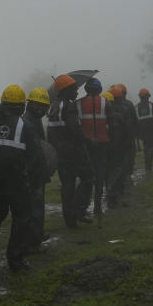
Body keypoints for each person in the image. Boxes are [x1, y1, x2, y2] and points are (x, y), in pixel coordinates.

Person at [0, 85, 48, 271]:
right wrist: (36, 179)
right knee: (22, 217)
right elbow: (35, 157)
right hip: (17, 181)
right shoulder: (25, 125)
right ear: (20, 106)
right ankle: (15, 259)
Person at [47, 74, 91, 228]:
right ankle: (78, 210)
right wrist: (88, 140)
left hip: (60, 153)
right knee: (88, 177)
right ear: (65, 90)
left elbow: (51, 133)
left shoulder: (53, 107)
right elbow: (74, 130)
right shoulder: (69, 106)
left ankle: (69, 219)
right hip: (74, 152)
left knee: (67, 185)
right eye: (74, 89)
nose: (77, 92)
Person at [23, 87, 54, 254]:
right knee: (34, 208)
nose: (42, 110)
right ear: (31, 105)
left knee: (36, 207)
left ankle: (36, 236)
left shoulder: (33, 121)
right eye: (40, 106)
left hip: (36, 172)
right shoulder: (28, 123)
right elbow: (35, 151)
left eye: (44, 107)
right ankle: (33, 241)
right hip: (33, 173)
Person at [77, 77, 110, 222]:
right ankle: (97, 206)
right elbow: (112, 123)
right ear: (99, 89)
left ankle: (82, 207)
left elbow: (76, 125)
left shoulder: (78, 104)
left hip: (86, 145)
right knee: (100, 174)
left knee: (87, 176)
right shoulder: (105, 102)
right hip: (102, 144)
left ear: (86, 89)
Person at [135, 87, 153, 174]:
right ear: (148, 96)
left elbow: (135, 121)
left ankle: (147, 163)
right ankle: (149, 161)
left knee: (146, 147)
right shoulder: (152, 105)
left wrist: (137, 134)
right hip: (152, 130)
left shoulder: (136, 107)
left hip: (142, 132)